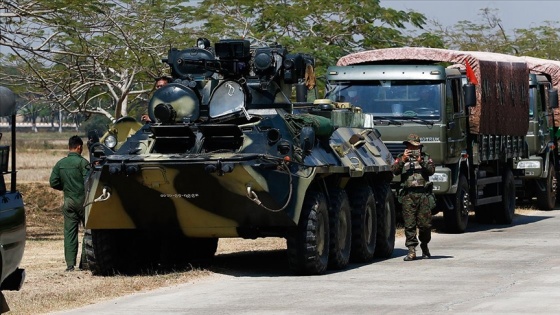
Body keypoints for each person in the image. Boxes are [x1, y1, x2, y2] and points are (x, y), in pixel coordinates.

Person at [391, 134, 436, 261]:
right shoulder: (401, 157)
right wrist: (403, 160)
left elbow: (432, 170)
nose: (412, 148)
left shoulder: (426, 157)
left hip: (423, 195)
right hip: (408, 196)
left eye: (415, 146)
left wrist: (421, 161)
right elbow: (394, 170)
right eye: (410, 146)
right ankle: (411, 250)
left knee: (425, 225)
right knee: (409, 225)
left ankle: (425, 246)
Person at [49, 135, 90, 271]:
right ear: (79, 147)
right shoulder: (83, 163)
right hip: (84, 202)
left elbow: (53, 182)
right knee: (89, 231)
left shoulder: (60, 164)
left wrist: (66, 188)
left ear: (69, 147)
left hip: (69, 202)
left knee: (70, 233)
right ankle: (84, 262)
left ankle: (70, 265)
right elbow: (89, 181)